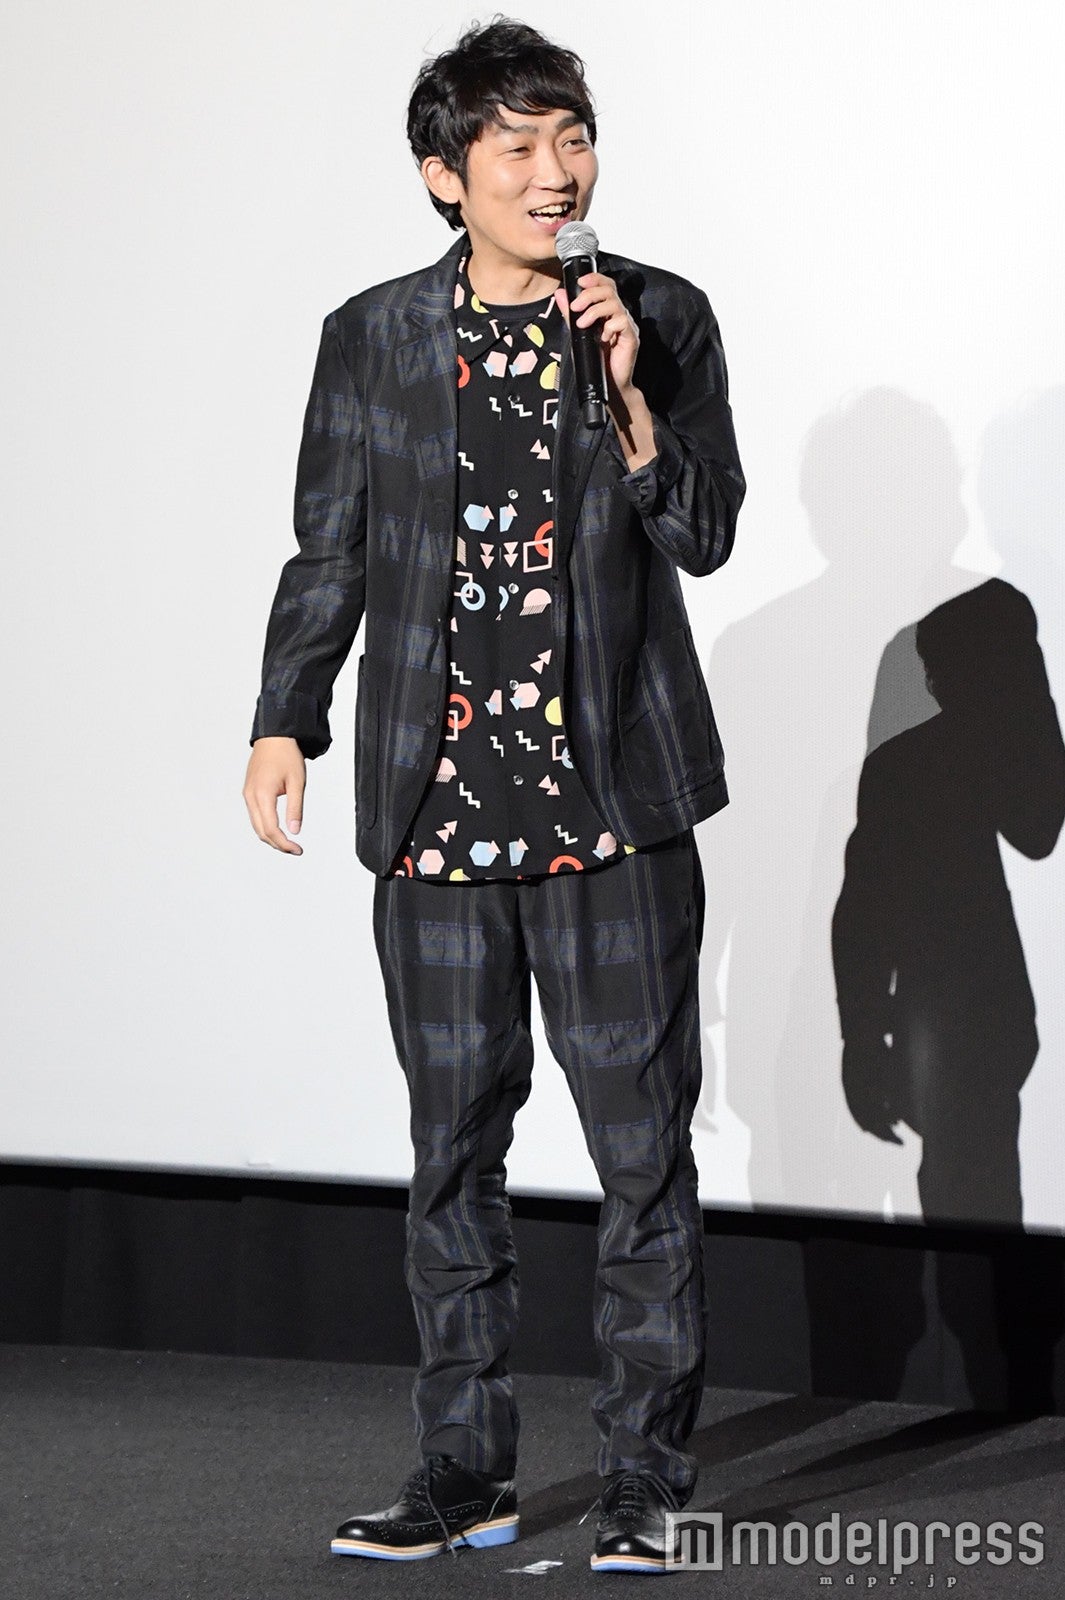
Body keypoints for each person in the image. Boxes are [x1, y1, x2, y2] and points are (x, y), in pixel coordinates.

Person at [243, 17, 744, 1574]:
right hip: (434, 813)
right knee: (450, 1155)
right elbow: (330, 545)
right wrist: (284, 719)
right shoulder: (372, 336)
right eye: (517, 145)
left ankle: (648, 1481)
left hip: (613, 812)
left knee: (640, 1159)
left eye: (570, 138)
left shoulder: (656, 313)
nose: (554, 171)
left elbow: (703, 529)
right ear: (443, 175)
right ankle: (462, 1473)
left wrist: (632, 396)